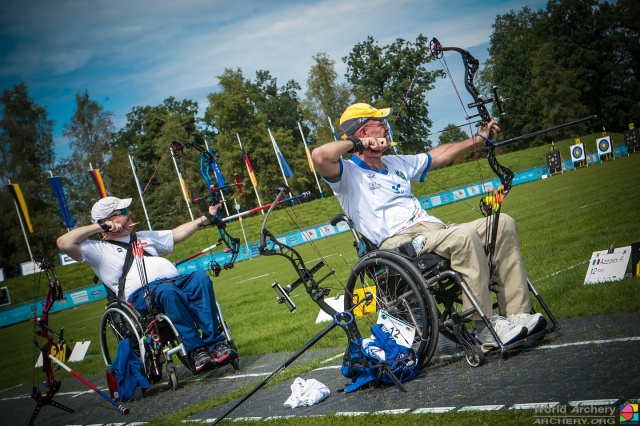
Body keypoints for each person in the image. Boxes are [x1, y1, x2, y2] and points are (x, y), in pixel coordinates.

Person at [311, 103, 546, 349]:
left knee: (502, 224)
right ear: (362, 132)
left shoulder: (396, 163)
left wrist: (478, 140)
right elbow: (320, 156)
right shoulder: (347, 174)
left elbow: (440, 154)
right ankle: (484, 328)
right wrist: (358, 145)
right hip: (400, 245)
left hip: (435, 232)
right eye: (379, 124)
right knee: (463, 236)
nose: (386, 128)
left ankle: (517, 314)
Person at [56, 196, 237, 373]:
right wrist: (100, 226)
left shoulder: (143, 236)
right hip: (143, 296)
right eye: (124, 211)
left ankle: (217, 345)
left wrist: (208, 216)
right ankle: (196, 351)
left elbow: (177, 233)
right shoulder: (97, 250)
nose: (130, 213)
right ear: (110, 220)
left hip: (173, 283)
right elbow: (63, 243)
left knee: (200, 278)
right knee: (167, 291)